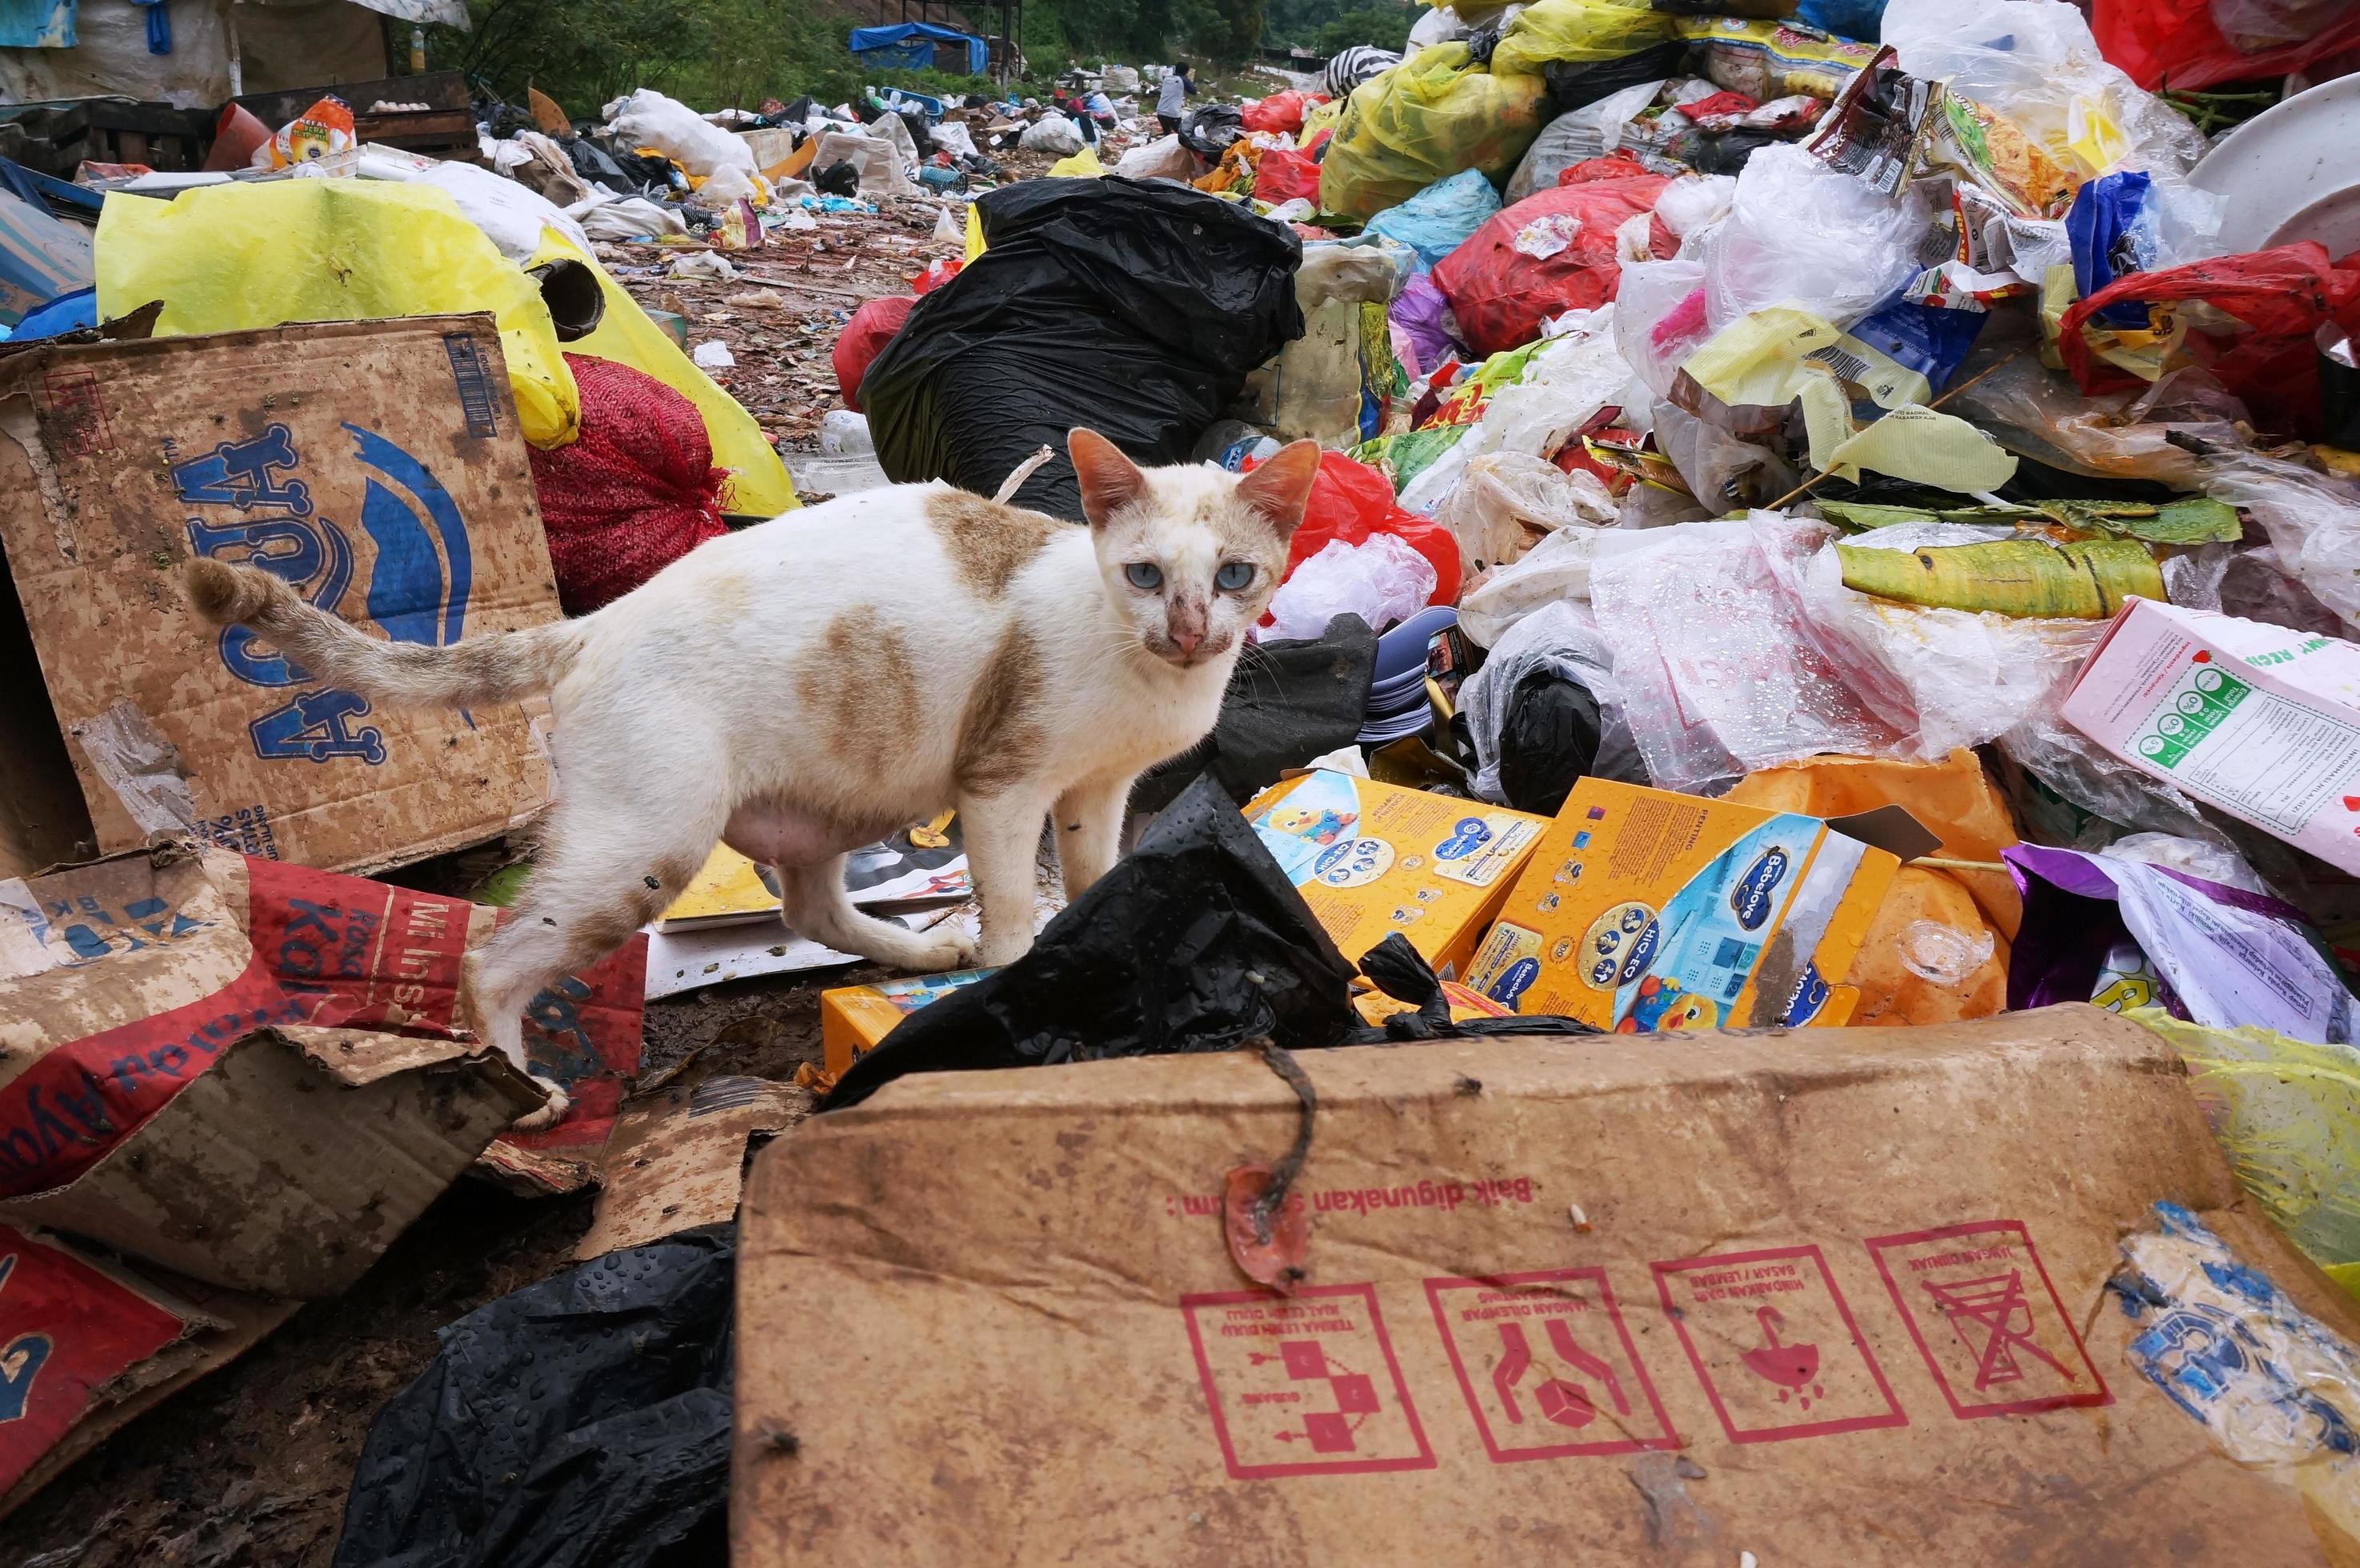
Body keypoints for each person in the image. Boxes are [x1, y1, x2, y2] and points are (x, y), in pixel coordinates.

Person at [1156, 62, 1193, 136]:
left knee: (1167, 134)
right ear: (1186, 72)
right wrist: (1188, 79)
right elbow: (1193, 91)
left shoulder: (1167, 78)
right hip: (1173, 114)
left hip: (1160, 112)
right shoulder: (1183, 80)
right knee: (1182, 135)